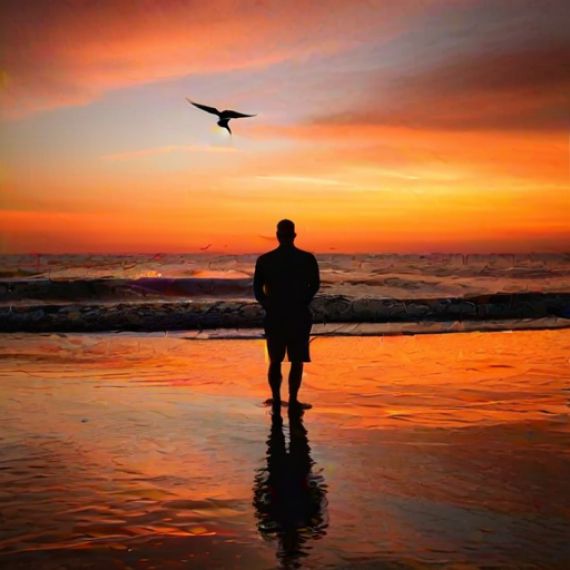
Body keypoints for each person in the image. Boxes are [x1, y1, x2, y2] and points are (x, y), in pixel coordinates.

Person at [254, 219, 320, 408]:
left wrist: (268, 305)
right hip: (299, 314)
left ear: (277, 236)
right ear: (294, 236)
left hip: (275, 315)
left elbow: (258, 291)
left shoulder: (265, 260)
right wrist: (303, 301)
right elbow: (314, 285)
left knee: (275, 360)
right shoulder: (307, 258)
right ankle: (292, 400)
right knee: (296, 360)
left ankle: (276, 398)